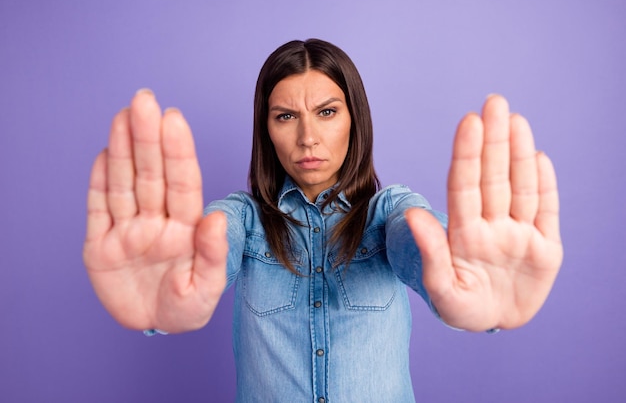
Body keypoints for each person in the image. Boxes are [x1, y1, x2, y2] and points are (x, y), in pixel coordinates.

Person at [83, 39, 563, 402]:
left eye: (327, 112)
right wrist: (168, 290)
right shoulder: (244, 220)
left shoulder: (389, 212)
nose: (308, 137)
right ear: (266, 130)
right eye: (285, 117)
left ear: (355, 119)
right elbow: (214, 241)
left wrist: (463, 282)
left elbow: (420, 243)